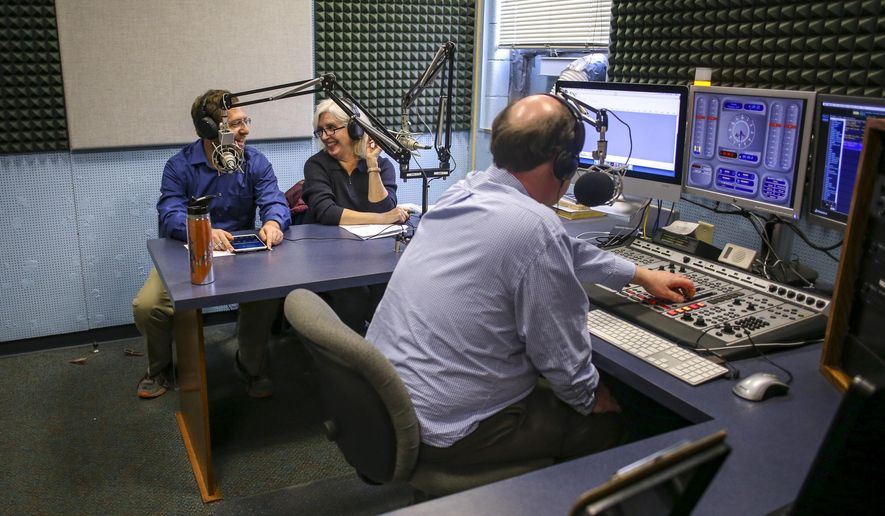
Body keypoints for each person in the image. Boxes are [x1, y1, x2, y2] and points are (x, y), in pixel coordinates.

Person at [366, 94, 696, 470]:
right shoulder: (535, 229)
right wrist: (595, 398)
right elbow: (561, 360)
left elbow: (559, 247)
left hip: (391, 405)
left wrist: (639, 275)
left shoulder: (464, 191)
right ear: (564, 164)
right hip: (452, 433)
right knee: (620, 417)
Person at [132, 89, 291, 400]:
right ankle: (161, 367)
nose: (245, 130)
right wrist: (202, 230)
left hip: (241, 255)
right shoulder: (179, 166)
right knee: (148, 306)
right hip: (187, 255)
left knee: (266, 296)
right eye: (235, 124)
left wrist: (273, 221)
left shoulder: (255, 161)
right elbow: (170, 211)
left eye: (246, 121)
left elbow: (274, 199)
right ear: (208, 129)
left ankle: (250, 365)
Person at [302, 98, 411, 333]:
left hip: (370, 256)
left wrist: (372, 166)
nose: (325, 136)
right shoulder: (316, 165)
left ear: (355, 128)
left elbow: (384, 208)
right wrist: (382, 219)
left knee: (390, 286)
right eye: (321, 130)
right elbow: (327, 212)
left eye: (332, 128)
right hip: (330, 256)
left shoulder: (383, 165)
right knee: (354, 296)